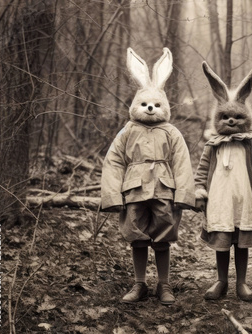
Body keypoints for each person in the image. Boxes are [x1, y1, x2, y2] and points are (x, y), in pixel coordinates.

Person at [101, 48, 195, 305]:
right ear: (135, 105)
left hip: (165, 190)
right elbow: (114, 161)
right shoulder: (127, 131)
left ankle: (164, 285)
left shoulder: (171, 132)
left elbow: (182, 162)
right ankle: (139, 284)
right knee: (137, 236)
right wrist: (112, 195)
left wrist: (184, 194)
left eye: (155, 104)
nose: (150, 109)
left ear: (164, 106)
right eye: (144, 104)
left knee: (163, 237)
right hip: (134, 191)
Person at [194, 61, 252, 302]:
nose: (231, 121)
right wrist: (199, 192)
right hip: (219, 201)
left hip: (244, 201)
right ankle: (221, 280)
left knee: (241, 243)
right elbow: (203, 169)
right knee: (222, 242)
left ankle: (242, 282)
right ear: (218, 118)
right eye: (225, 117)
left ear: (245, 117)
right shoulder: (213, 145)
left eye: (237, 117)